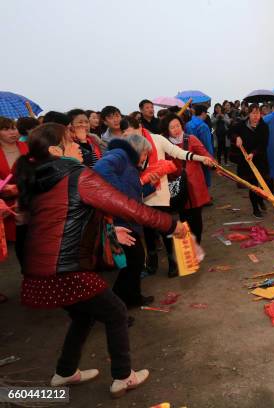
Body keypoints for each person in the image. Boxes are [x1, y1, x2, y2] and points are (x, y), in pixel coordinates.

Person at [15, 122, 187, 398]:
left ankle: (65, 372)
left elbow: (68, 218)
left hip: (40, 271)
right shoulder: (77, 176)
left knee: (84, 316)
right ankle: (123, 376)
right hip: (67, 268)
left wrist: (110, 229)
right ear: (56, 151)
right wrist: (170, 225)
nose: (80, 147)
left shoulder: (40, 179)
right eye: (72, 142)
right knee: (116, 312)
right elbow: (125, 206)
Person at [121, 117, 214, 277]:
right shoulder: (126, 146)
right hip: (141, 194)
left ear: (140, 127)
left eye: (132, 132)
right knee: (148, 232)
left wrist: (201, 158)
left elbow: (178, 153)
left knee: (165, 228)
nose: (131, 137)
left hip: (159, 192)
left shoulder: (157, 140)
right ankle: (152, 263)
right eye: (126, 134)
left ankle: (172, 263)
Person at [93, 135, 156, 307]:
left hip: (128, 218)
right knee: (132, 263)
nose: (145, 158)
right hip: (119, 220)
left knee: (135, 262)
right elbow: (99, 170)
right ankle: (117, 306)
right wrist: (120, 198)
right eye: (145, 154)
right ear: (138, 150)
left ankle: (133, 298)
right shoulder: (120, 154)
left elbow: (135, 191)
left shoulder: (129, 163)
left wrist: (151, 183)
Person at [160, 113, 214, 247]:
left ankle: (196, 244)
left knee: (196, 218)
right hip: (177, 186)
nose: (176, 129)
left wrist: (211, 162)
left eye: (177, 125)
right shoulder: (164, 143)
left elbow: (204, 153)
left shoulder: (191, 139)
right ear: (167, 130)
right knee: (183, 217)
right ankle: (188, 247)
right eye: (172, 127)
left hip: (194, 185)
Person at [0, 117, 29, 265]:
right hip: (5, 206)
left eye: (14, 128)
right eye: (6, 129)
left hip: (28, 201)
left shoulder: (27, 147)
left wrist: (20, 188)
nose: (12, 132)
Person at [234, 105, 270, 218]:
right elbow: (231, 132)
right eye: (253, 113)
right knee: (253, 185)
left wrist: (253, 153)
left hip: (260, 158)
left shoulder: (264, 127)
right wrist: (236, 137)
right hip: (247, 161)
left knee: (266, 183)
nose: (256, 116)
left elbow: (263, 144)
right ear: (249, 114)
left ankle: (260, 200)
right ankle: (255, 209)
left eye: (258, 113)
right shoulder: (241, 125)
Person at [186, 105, 214, 188]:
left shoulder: (188, 124)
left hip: (191, 155)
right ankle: (205, 198)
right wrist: (211, 157)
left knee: (195, 178)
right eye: (206, 113)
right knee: (205, 177)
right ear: (203, 113)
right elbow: (207, 144)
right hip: (203, 155)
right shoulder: (203, 126)